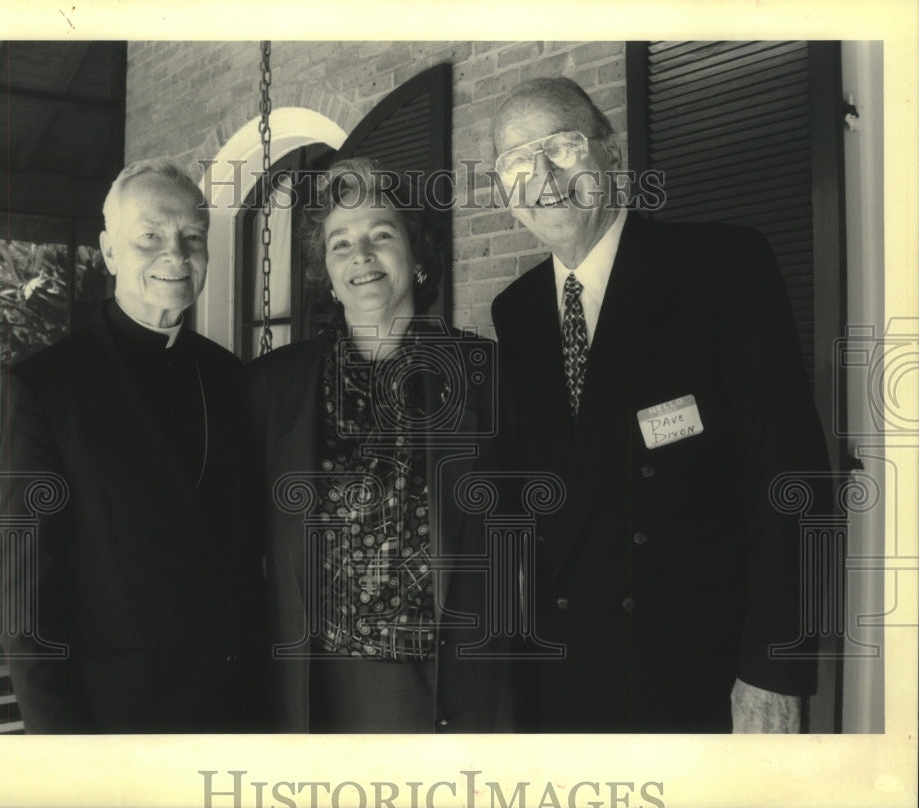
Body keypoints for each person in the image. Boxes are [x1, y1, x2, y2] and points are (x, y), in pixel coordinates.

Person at [489, 77, 831, 732]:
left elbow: (789, 475)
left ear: (610, 154)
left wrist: (774, 671)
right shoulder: (517, 310)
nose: (543, 177)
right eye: (516, 163)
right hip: (561, 675)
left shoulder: (721, 265)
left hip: (697, 672)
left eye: (561, 147)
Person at [0, 158, 266, 733]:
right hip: (121, 725)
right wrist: (69, 755)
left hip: (236, 713)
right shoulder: (47, 387)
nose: (175, 254)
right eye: (149, 236)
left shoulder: (227, 376)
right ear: (110, 251)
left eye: (192, 236)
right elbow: (26, 601)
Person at [246, 158, 501, 732]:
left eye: (381, 235)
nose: (361, 255)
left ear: (416, 256)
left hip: (452, 684)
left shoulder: (484, 374)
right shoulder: (274, 387)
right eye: (340, 244)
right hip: (323, 688)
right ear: (327, 276)